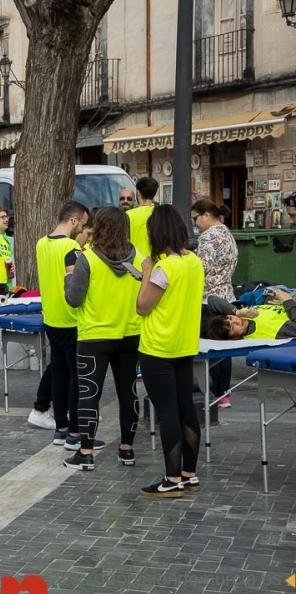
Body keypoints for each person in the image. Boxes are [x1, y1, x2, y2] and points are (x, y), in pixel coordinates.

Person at [62, 207, 141, 470]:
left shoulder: (87, 260)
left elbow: (74, 300)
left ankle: (85, 453)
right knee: (128, 391)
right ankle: (127, 449)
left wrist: (68, 277)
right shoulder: (140, 258)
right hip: (130, 333)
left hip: (94, 336)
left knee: (89, 394)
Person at [136, 205, 205, 498]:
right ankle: (188, 474)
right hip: (184, 344)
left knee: (167, 412)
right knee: (186, 407)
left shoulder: (163, 268)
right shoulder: (193, 262)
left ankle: (171, 478)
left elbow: (142, 305)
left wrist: (147, 271)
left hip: (158, 348)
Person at [36, 201, 91, 446]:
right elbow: (77, 282)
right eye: (83, 224)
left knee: (59, 372)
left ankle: (61, 426)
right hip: (71, 318)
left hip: (50, 317)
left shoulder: (41, 243)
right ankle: (75, 432)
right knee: (76, 377)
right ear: (74, 221)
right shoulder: (71, 248)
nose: (83, 231)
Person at [191, 198, 238, 407]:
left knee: (210, 345)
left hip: (208, 298)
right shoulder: (227, 234)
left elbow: (201, 269)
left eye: (195, 219)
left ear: (206, 215)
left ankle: (207, 389)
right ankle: (223, 392)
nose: (195, 224)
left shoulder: (208, 237)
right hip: (227, 295)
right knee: (224, 347)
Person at [203, 291, 296, 340]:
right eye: (232, 327)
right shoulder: (269, 331)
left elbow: (212, 299)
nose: (237, 321)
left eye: (230, 318)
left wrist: (237, 312)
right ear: (233, 338)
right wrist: (288, 301)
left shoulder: (243, 313)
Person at [128, 176, 158, 260]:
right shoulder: (161, 214)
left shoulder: (128, 215)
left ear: (138, 192)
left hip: (135, 263)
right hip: (158, 263)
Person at [0, 208, 14, 295]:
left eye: (7, 217)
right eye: (2, 217)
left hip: (6, 283)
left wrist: (12, 267)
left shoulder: (6, 239)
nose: (6, 220)